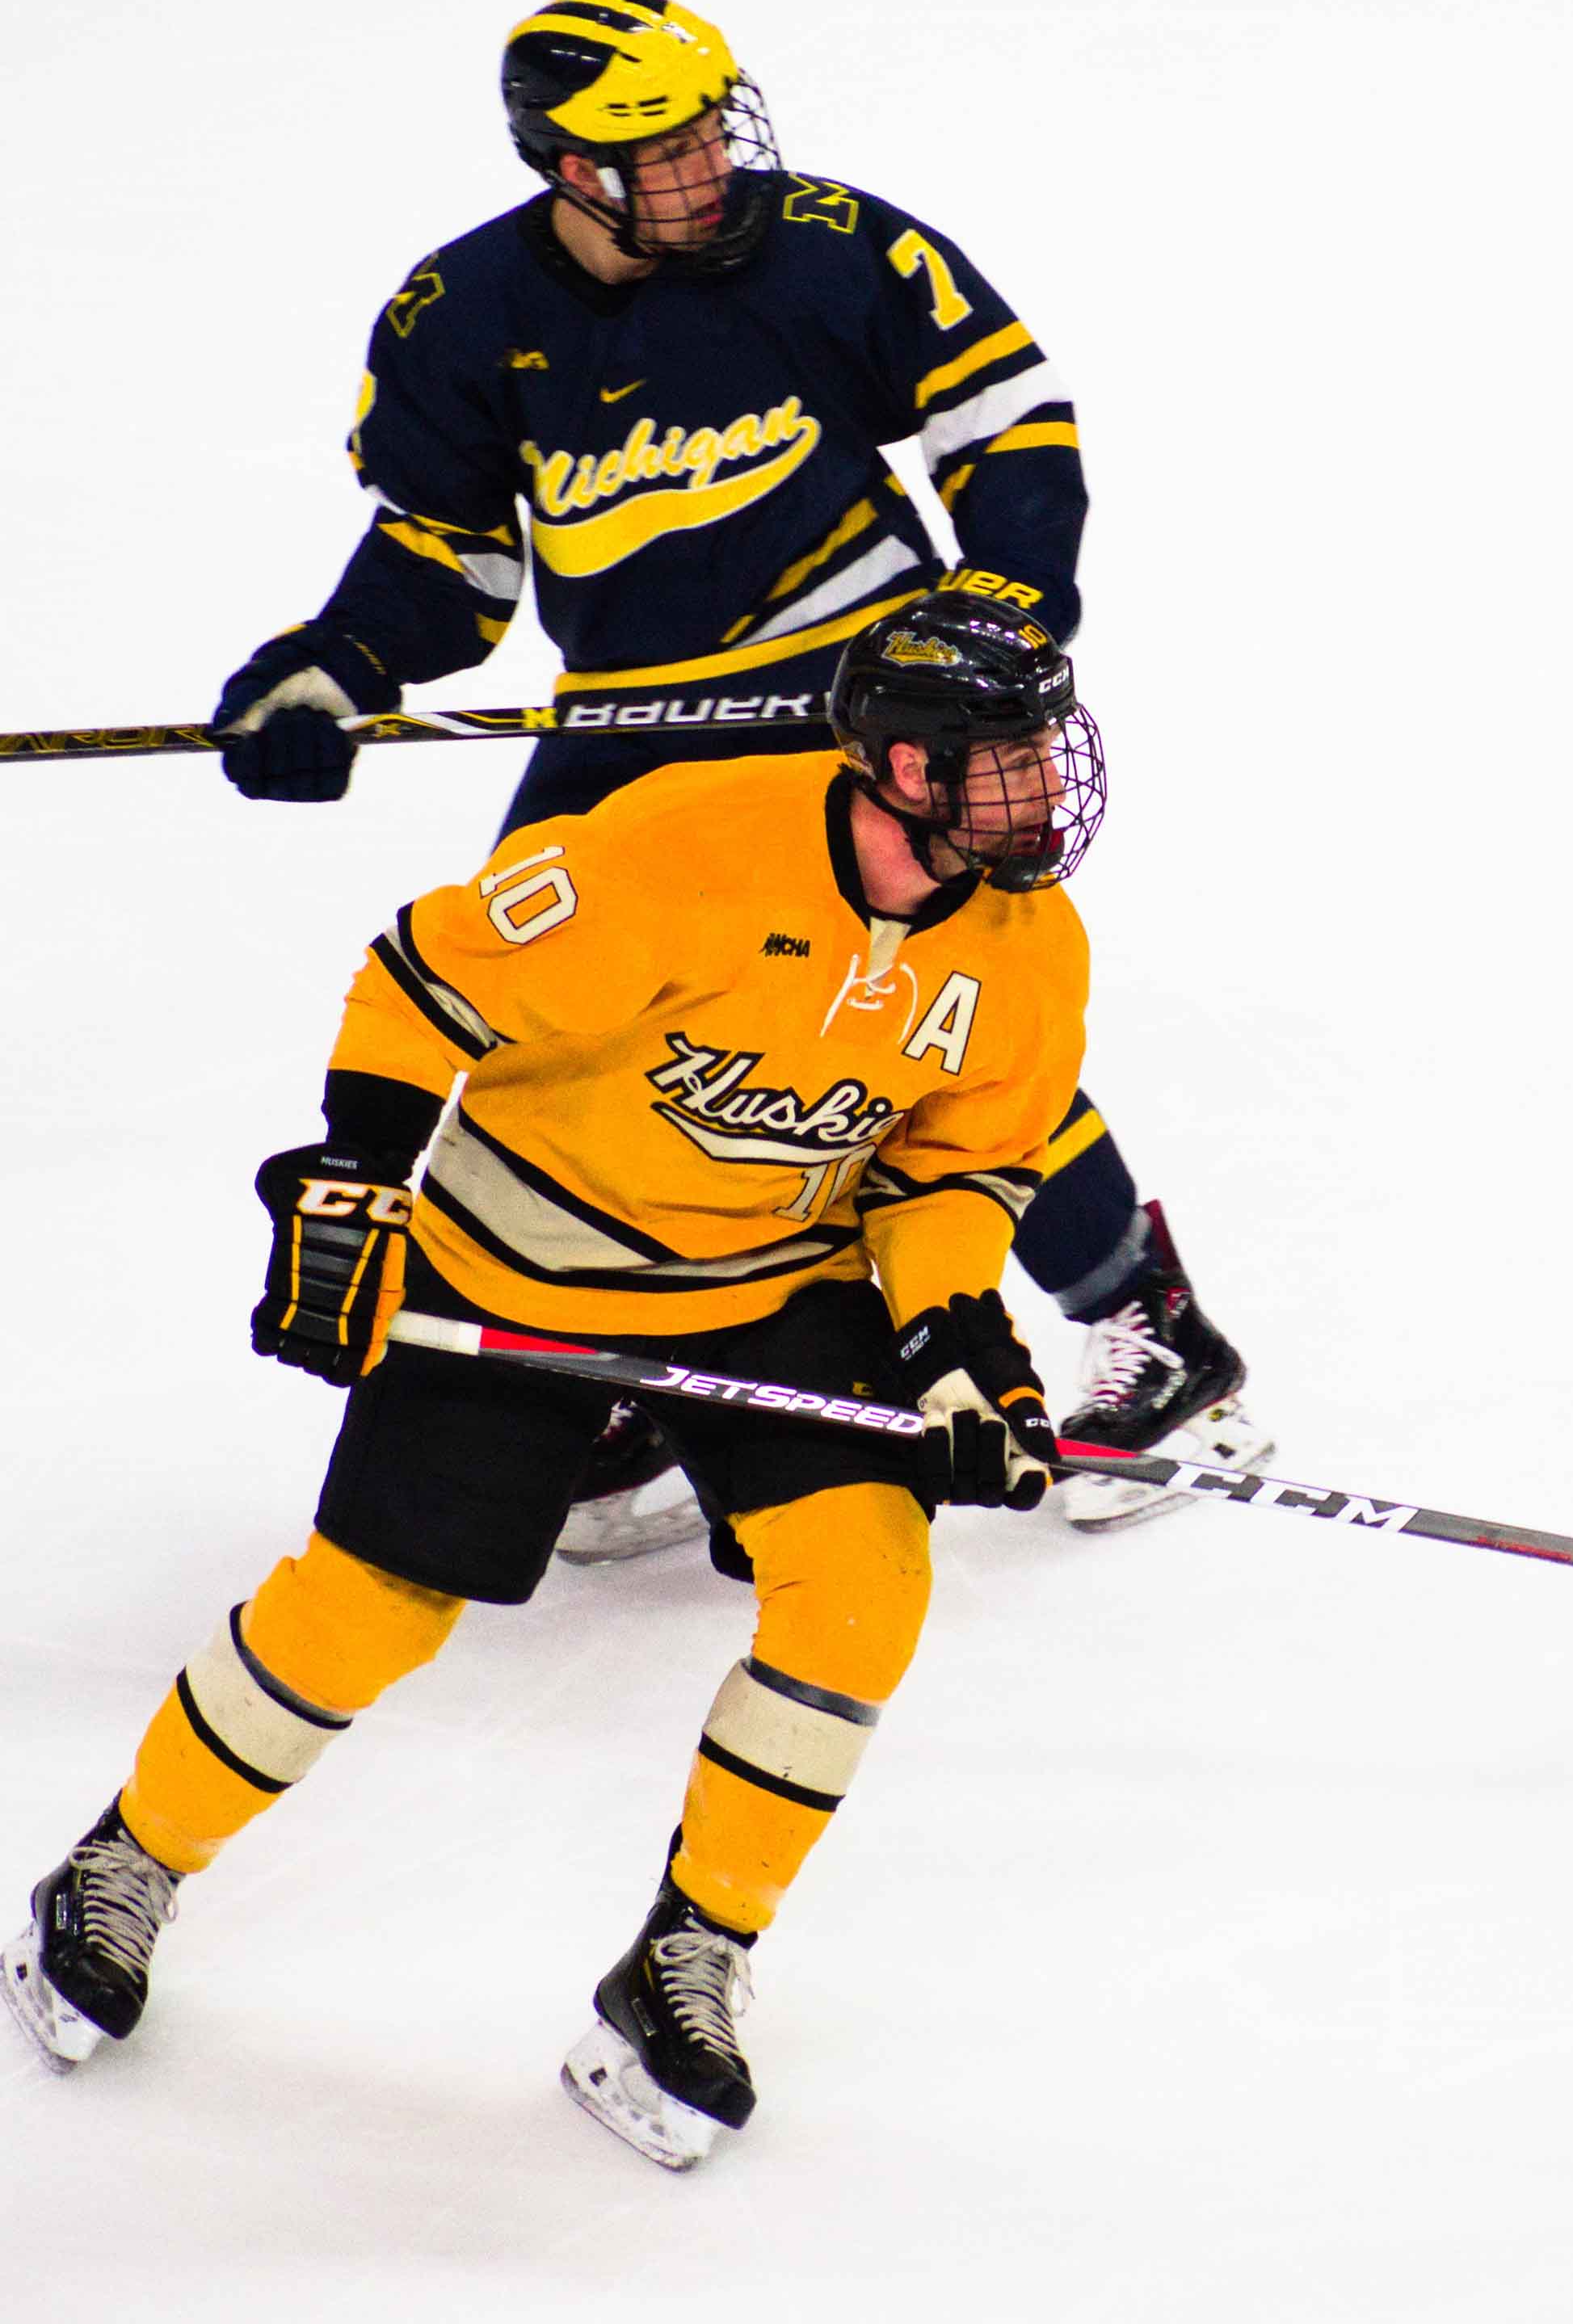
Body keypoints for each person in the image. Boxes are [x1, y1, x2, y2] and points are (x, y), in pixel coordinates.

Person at [5, 594, 1103, 2169]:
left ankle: (688, 1961)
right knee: (372, 1605)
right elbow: (418, 979)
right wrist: (358, 1179)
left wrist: (957, 1345)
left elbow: (955, 1168)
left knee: (864, 1584)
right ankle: (127, 1862)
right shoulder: (677, 847)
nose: (1046, 789)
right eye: (1008, 760)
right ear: (905, 764)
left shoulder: (1026, 948)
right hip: (523, 1259)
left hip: (765, 1281)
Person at [205, 0, 1268, 1552]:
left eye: (716, 127)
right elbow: (447, 558)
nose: (715, 163)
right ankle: (659, 1355)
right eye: (669, 148)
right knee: (554, 1013)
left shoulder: (836, 249)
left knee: (930, 1008)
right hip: (642, 719)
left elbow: (1008, 422)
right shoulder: (464, 319)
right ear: (569, 170)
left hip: (871, 689)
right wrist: (339, 664)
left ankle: (1150, 1327)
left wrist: (1009, 599)